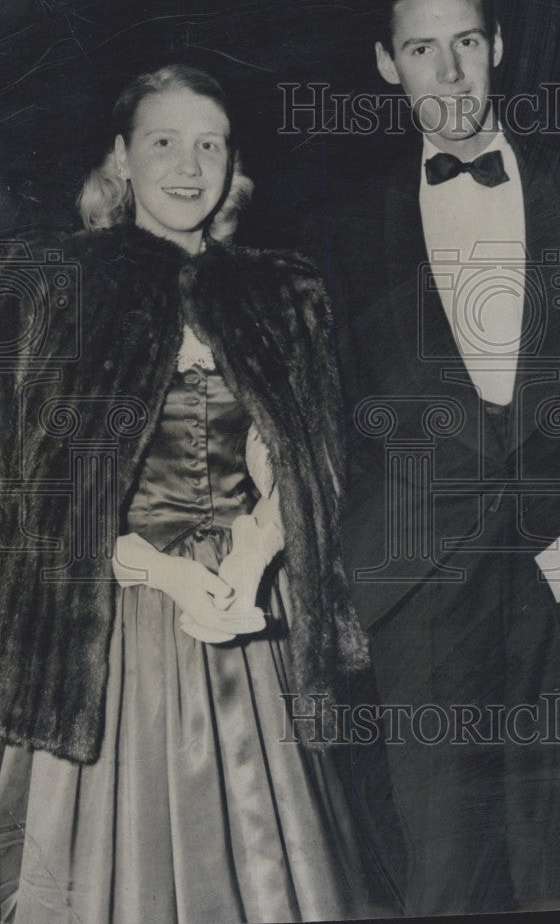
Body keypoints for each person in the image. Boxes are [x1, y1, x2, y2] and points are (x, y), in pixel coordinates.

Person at [306, 0, 560, 916]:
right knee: (446, 869)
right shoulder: (341, 225)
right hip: (420, 576)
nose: (448, 76)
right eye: (422, 49)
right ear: (386, 64)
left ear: (495, 48)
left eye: (465, 44)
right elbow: (328, 414)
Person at [0, 63, 373, 924]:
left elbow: (304, 456)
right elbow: (42, 487)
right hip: (111, 614)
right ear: (122, 159)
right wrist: (162, 574)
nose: (187, 163)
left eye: (208, 143)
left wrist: (252, 560)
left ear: (232, 162)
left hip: (245, 611)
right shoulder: (61, 281)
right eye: (163, 141)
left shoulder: (282, 288)